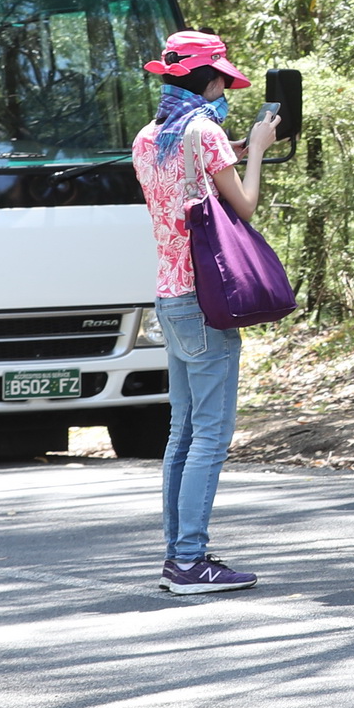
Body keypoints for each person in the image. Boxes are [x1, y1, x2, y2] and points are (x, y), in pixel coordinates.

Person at [132, 32, 282, 595]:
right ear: (206, 78)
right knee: (212, 436)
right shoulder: (206, 131)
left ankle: (180, 554)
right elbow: (242, 204)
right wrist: (259, 147)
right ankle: (191, 560)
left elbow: (185, 187)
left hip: (170, 295)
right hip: (207, 296)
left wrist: (236, 149)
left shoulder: (150, 137)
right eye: (221, 79)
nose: (225, 88)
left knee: (183, 432)